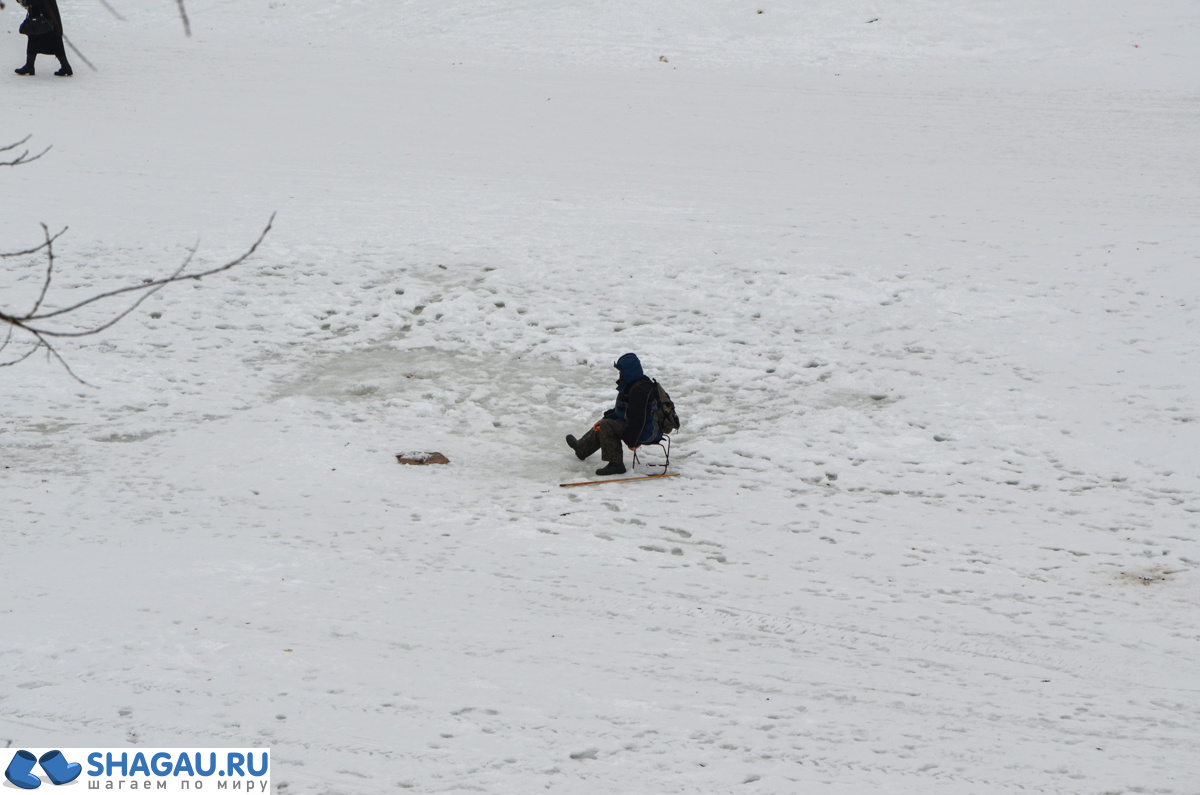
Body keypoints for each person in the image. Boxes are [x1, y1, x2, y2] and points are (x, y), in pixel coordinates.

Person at [566, 352, 661, 476]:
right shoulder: (633, 384)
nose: (619, 374)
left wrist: (632, 441)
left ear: (628, 372)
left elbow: (639, 420)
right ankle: (581, 448)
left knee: (607, 426)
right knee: (605, 423)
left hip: (645, 431)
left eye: (621, 371)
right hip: (638, 427)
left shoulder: (640, 391)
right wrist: (607, 417)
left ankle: (616, 464)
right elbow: (625, 410)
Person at [14, 0, 72, 77]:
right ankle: (65, 66)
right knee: (43, 36)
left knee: (39, 33)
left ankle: (29, 66)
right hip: (46, 9)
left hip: (43, 9)